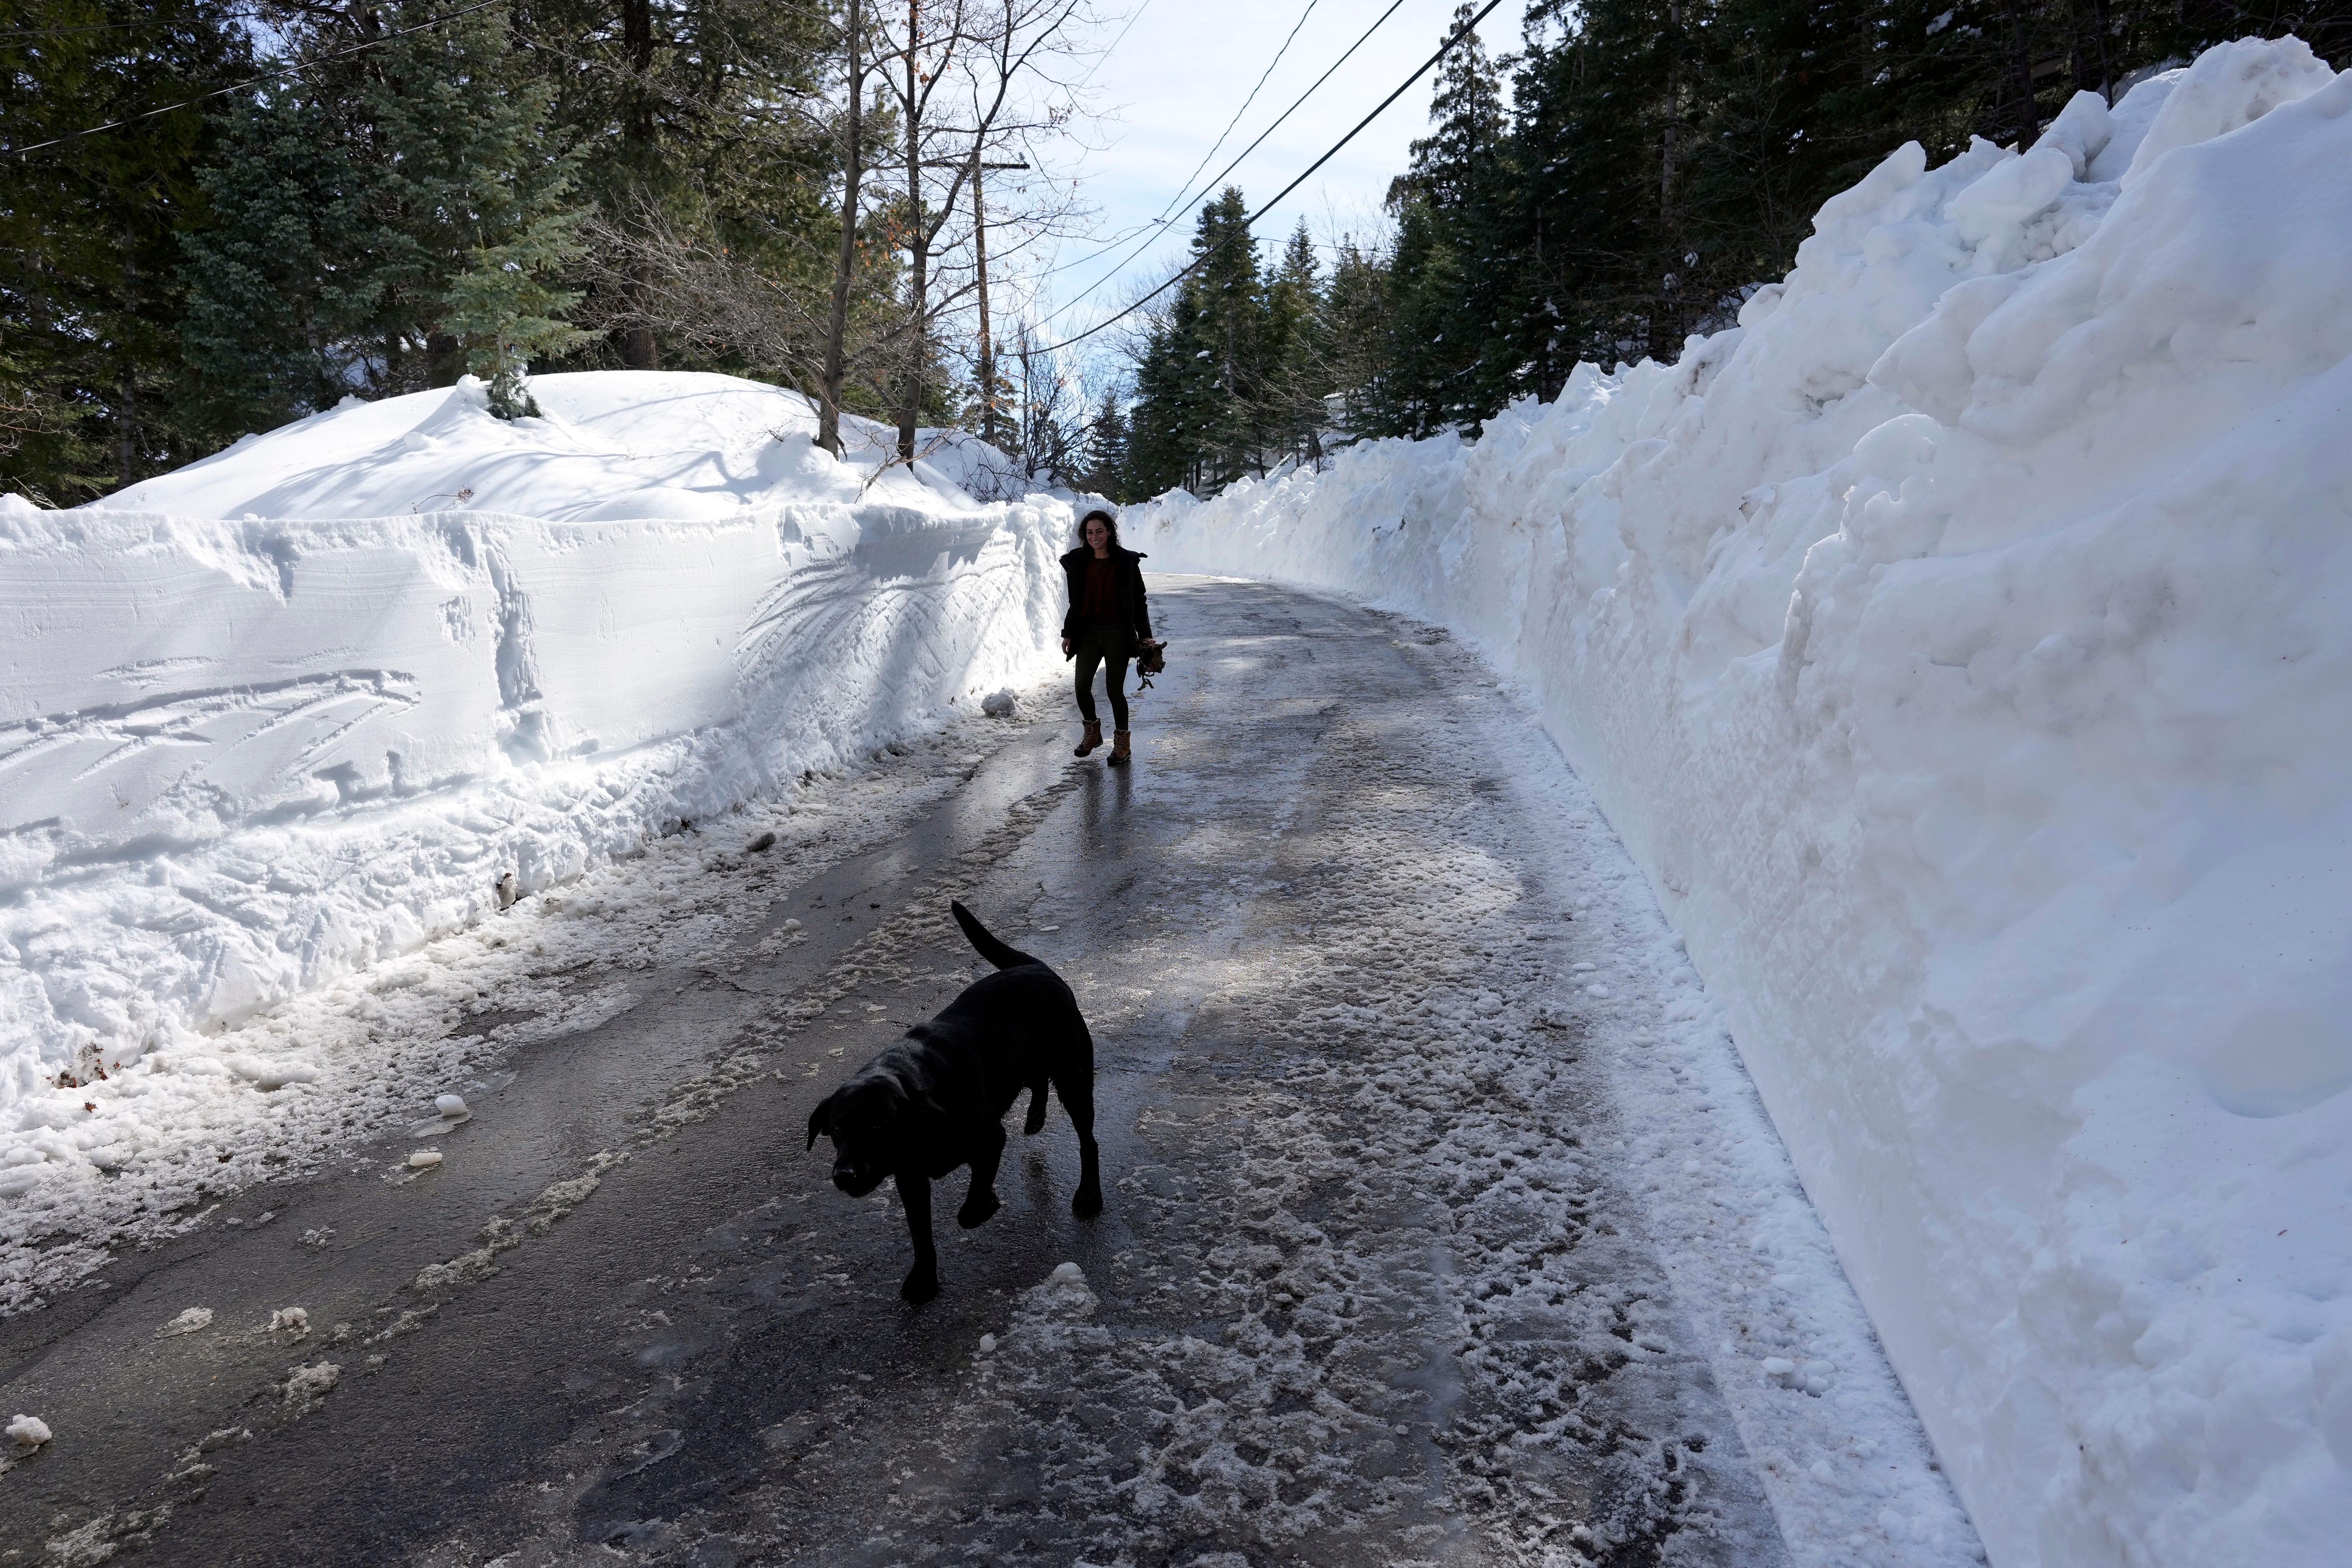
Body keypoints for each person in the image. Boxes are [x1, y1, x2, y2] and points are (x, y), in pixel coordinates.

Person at [1060, 508, 1156, 766]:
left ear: (1110, 532)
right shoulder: (1078, 563)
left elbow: (1139, 600)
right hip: (1088, 634)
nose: (1094, 536)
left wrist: (1145, 635)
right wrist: (1069, 632)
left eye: (1099, 531)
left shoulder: (1126, 562)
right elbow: (1075, 603)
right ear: (1084, 535)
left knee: (1114, 690)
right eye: (1089, 532)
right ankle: (1093, 733)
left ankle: (1123, 744)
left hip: (1117, 634)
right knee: (1081, 687)